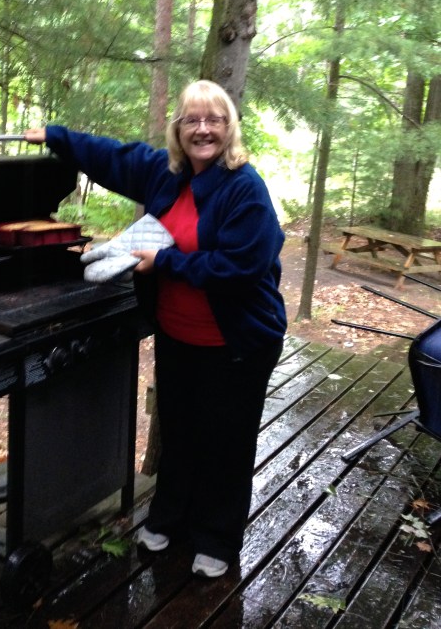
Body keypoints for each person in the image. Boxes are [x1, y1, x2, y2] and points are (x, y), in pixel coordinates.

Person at [24, 79, 286, 578]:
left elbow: (241, 268)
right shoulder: (166, 174)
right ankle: (169, 516)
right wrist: (56, 136)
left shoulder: (244, 188)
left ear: (229, 129)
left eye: (214, 120)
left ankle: (217, 537)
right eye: (192, 119)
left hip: (237, 342)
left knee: (225, 442)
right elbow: (113, 157)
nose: (203, 129)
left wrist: (165, 263)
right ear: (178, 129)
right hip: (178, 335)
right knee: (180, 430)